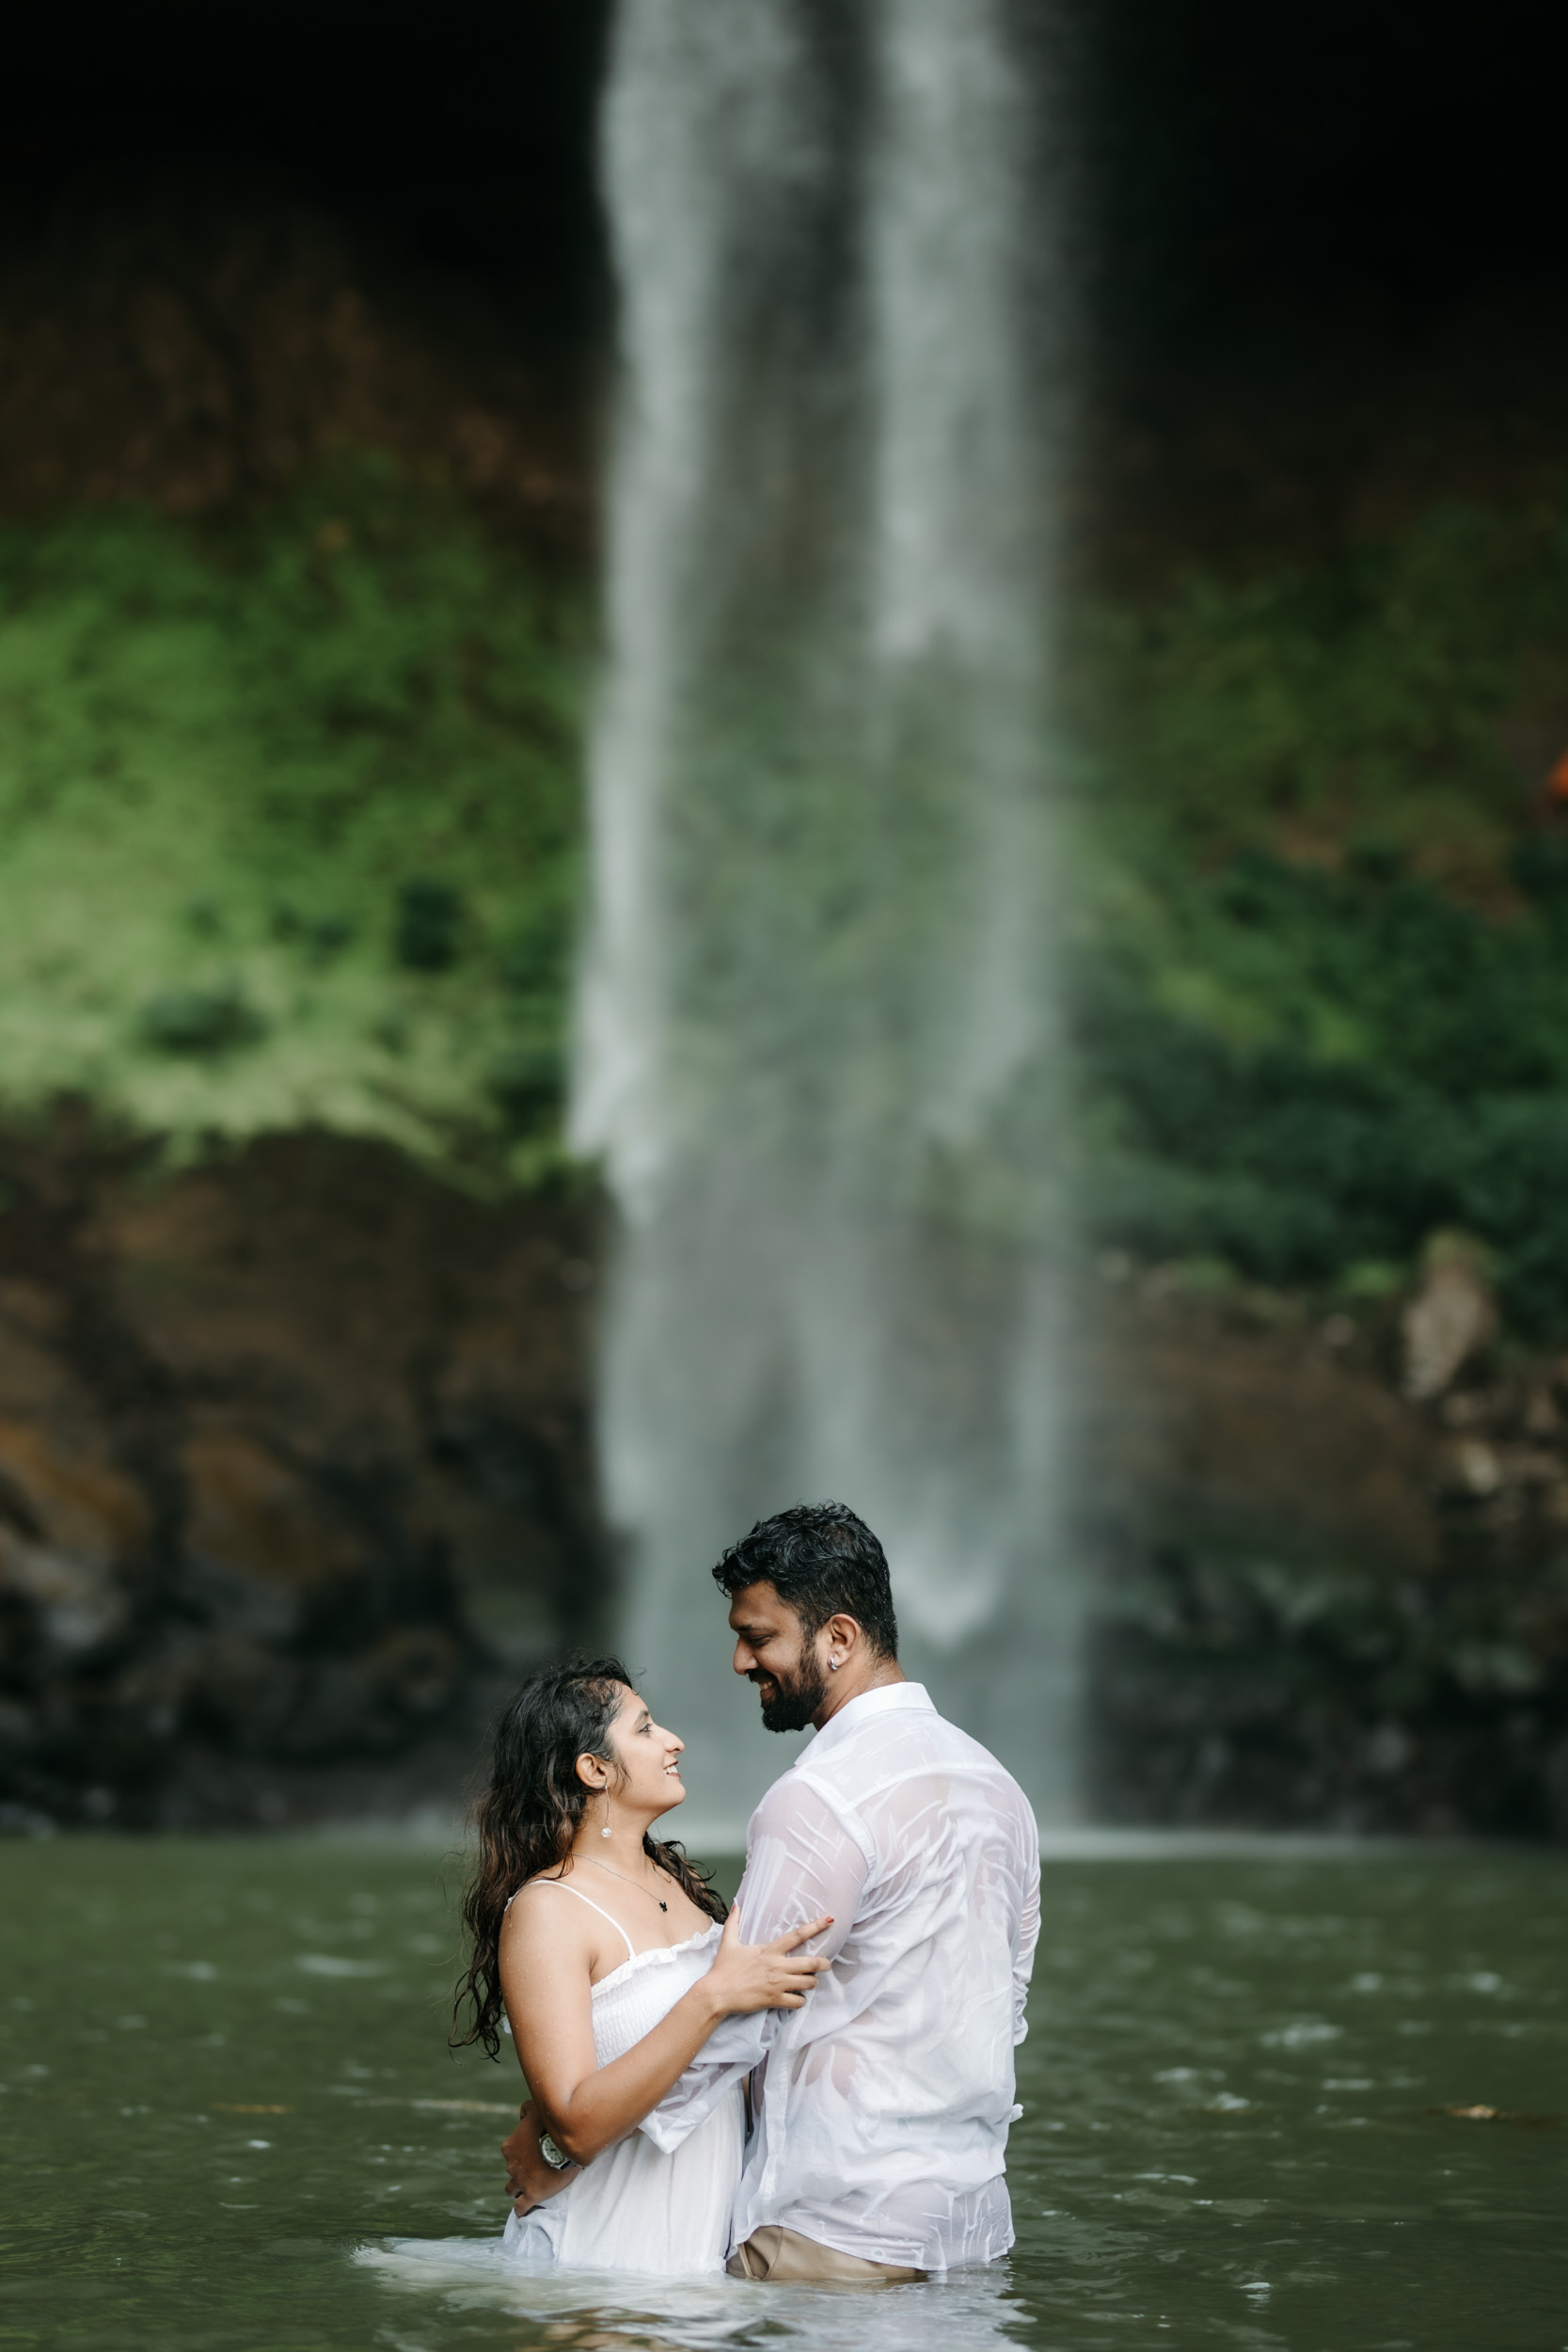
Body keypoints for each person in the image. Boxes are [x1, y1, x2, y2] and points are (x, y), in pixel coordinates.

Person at [506, 1502, 1041, 2286]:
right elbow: (1007, 2000)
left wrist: (569, 2158)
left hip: (831, 2223)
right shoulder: (1000, 1790)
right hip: (969, 2224)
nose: (739, 1661)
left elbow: (742, 2022)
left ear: (838, 1638)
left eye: (758, 1637)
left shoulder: (819, 1799)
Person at [451, 1658, 832, 2276]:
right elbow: (577, 2126)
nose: (674, 1741)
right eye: (646, 1728)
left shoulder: (681, 1886)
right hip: (595, 2257)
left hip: (701, 2254)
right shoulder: (549, 1909)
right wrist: (711, 1998)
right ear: (594, 1769)